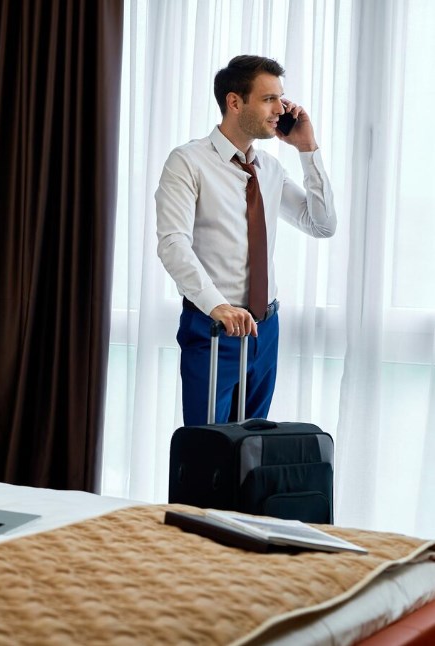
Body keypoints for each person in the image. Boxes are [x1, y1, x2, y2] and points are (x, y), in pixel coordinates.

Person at [155, 55, 337, 426]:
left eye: (281, 98)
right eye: (269, 98)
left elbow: (322, 225)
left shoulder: (268, 169)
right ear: (235, 102)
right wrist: (217, 306)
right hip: (214, 328)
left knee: (250, 453)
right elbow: (173, 243)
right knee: (207, 455)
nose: (281, 109)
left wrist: (308, 149)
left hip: (265, 329)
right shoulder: (187, 162)